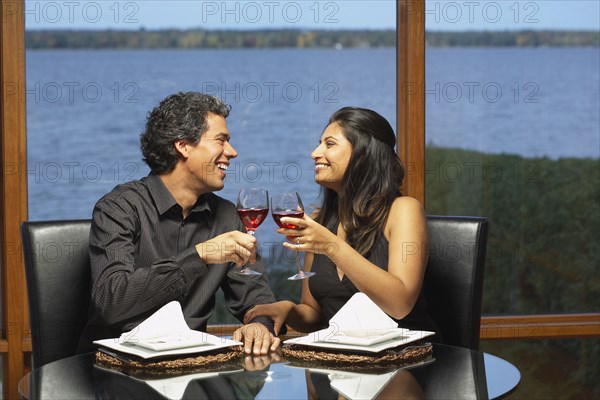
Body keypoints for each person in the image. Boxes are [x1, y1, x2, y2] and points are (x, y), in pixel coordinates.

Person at [79, 91, 280, 355]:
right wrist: (199, 256)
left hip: (191, 369)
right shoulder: (119, 208)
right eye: (221, 140)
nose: (232, 152)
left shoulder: (228, 217)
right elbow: (112, 301)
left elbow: (255, 297)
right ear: (183, 145)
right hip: (116, 369)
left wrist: (259, 324)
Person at [244, 107, 439, 338]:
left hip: (409, 359)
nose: (315, 153)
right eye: (319, 143)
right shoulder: (321, 220)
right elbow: (315, 315)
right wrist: (288, 309)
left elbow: (401, 303)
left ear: (363, 152)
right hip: (345, 363)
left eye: (330, 144)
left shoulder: (404, 210)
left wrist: (331, 246)